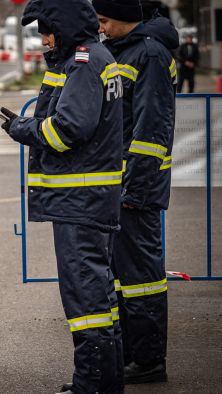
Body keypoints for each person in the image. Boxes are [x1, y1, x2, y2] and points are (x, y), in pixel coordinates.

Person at [0, 0, 125, 392]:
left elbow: (66, 129)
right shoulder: (87, 58)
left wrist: (23, 129)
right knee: (96, 295)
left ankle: (94, 383)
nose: (44, 39)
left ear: (66, 26)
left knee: (87, 301)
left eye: (47, 30)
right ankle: (100, 381)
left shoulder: (85, 63)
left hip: (80, 202)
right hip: (87, 200)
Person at [93, 0, 178, 384]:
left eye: (106, 20)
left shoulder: (150, 55)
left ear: (128, 18)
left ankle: (147, 361)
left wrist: (136, 188)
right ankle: (131, 354)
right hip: (118, 184)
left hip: (135, 187)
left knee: (142, 277)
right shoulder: (122, 50)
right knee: (123, 277)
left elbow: (150, 130)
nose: (102, 27)